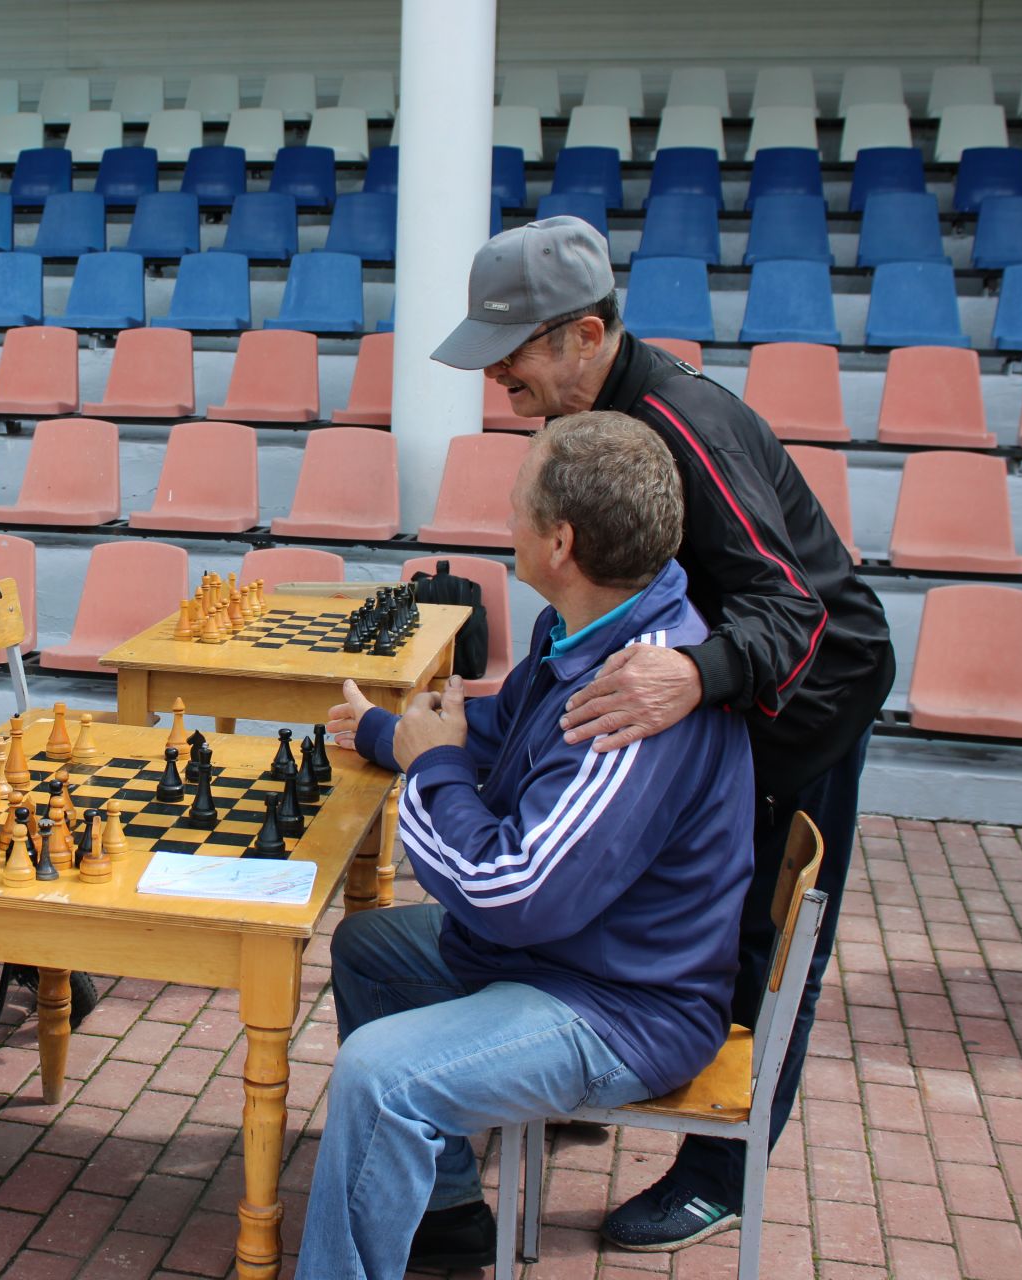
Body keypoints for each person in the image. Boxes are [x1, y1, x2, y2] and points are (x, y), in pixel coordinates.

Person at [430, 216, 896, 1251]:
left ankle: (722, 1167)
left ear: (585, 334)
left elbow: (792, 609)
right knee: (633, 882)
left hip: (809, 698)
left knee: (761, 940)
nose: (498, 371)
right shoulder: (597, 417)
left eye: (515, 348)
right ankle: (590, 1064)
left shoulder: (684, 425)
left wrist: (694, 674)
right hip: (725, 688)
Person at [296, 411, 754, 1279]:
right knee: (367, 948)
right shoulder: (587, 628)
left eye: (516, 505)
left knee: (380, 1078)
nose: (503, 519)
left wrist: (431, 768)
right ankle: (446, 1208)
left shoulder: (631, 702)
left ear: (560, 543)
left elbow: (513, 893)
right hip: (577, 954)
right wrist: (390, 733)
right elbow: (503, 731)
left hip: (621, 1005)